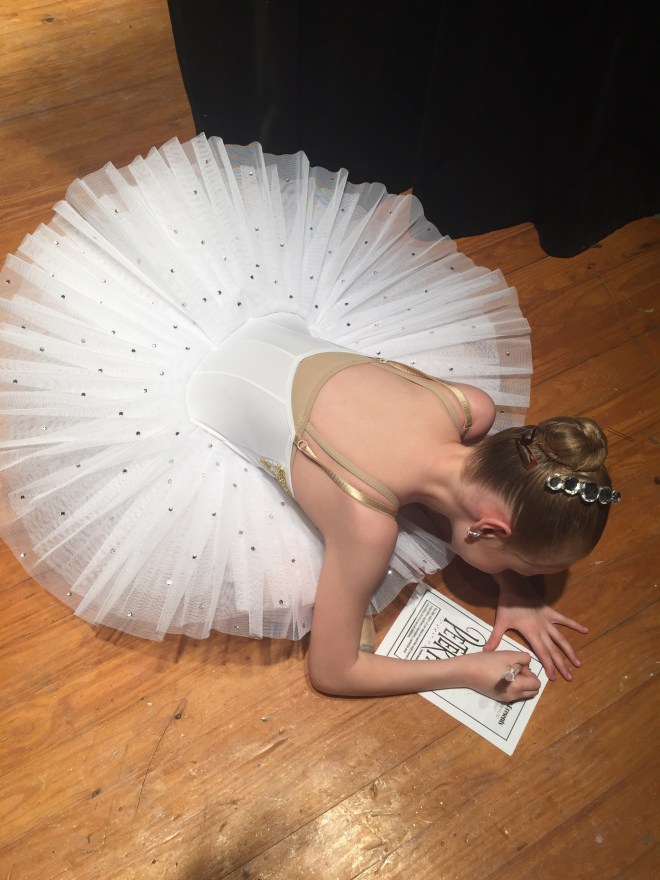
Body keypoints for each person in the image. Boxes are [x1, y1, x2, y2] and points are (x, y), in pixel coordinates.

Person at [0, 134, 619, 704]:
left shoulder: (468, 405)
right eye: (519, 568)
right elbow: (334, 671)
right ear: (487, 530)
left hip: (251, 318)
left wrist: (516, 588)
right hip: (184, 396)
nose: (514, 577)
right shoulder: (367, 528)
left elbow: (477, 510)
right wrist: (467, 671)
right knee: (288, 584)